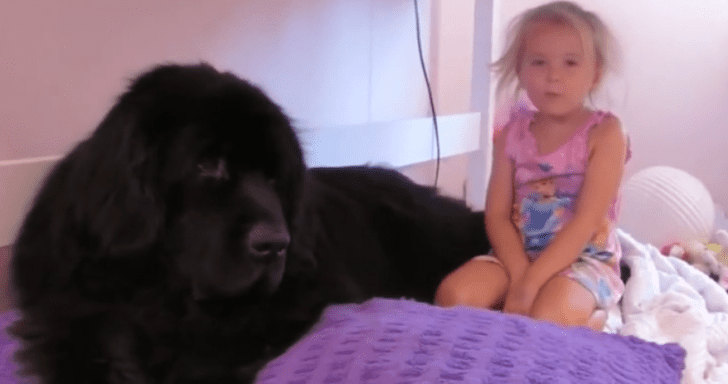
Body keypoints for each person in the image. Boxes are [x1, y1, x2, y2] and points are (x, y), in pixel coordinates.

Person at [435, 1, 628, 332]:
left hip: (582, 259)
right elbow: (496, 215)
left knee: (548, 317)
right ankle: (513, 310)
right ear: (520, 70)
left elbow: (585, 221)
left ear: (594, 74)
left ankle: (595, 320)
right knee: (452, 295)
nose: (553, 75)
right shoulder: (512, 134)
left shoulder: (605, 133)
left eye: (570, 63)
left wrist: (530, 284)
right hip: (518, 255)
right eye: (539, 62)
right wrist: (521, 273)